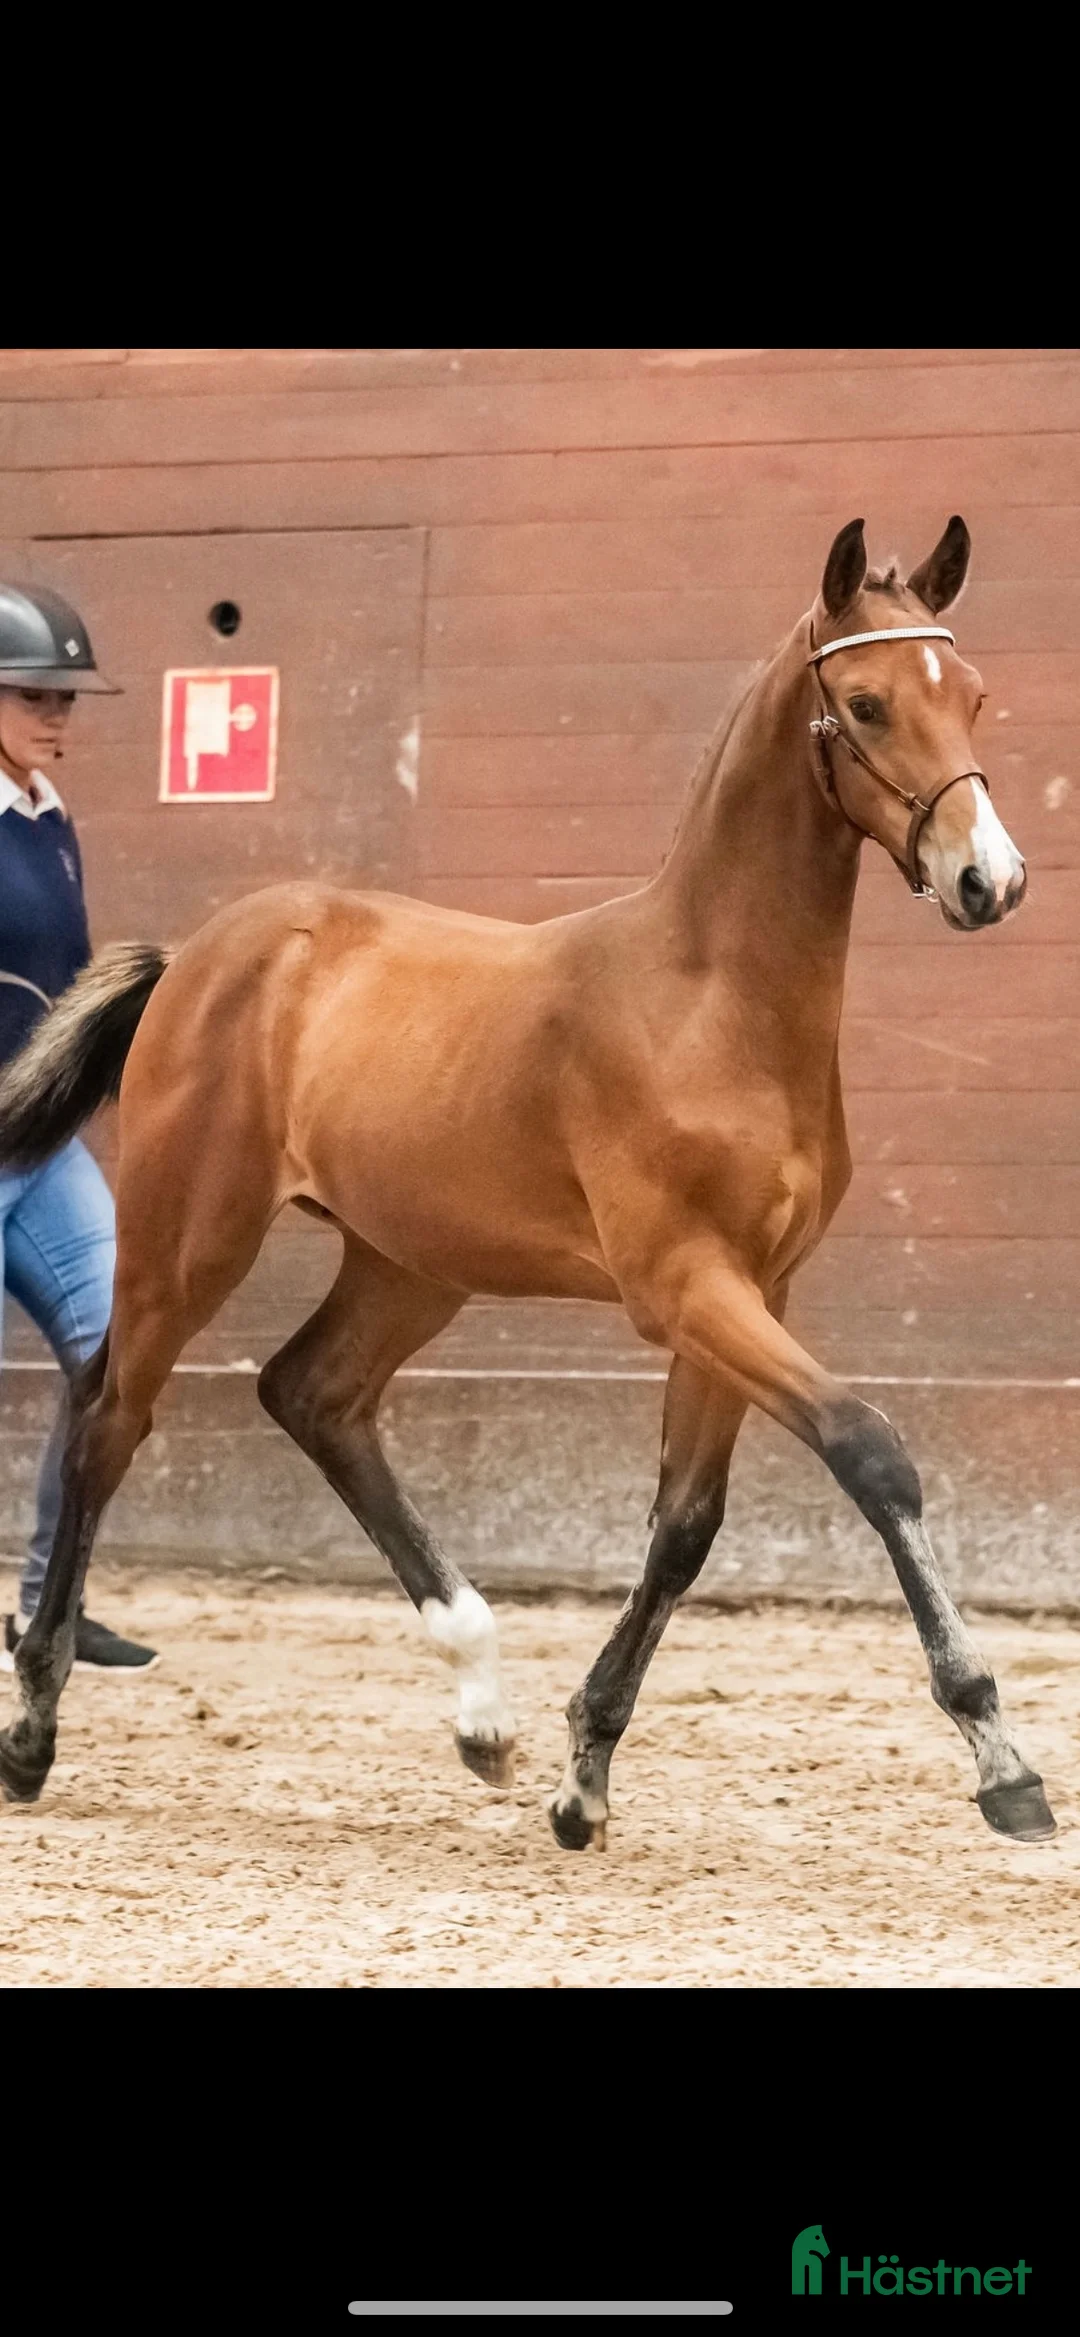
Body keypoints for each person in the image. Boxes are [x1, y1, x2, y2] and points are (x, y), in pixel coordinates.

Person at [0, 581, 157, 1670]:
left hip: (38, 1152)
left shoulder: (51, 819)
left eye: (68, 697)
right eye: (35, 694)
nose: (58, 714)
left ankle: (48, 1604)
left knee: (114, 1352)